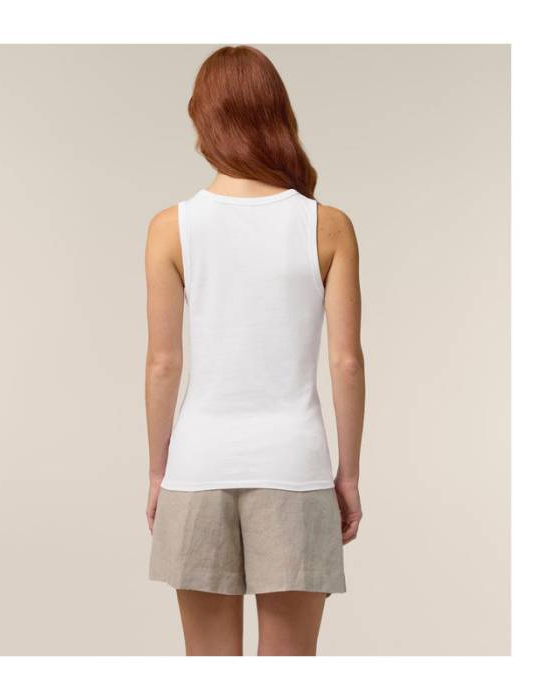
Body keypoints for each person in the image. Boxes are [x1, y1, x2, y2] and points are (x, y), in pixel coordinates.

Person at [145, 45, 365, 656]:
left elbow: (163, 363)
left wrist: (159, 472)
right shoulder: (327, 225)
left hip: (197, 466)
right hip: (294, 468)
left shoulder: (171, 227)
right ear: (278, 114)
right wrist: (348, 475)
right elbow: (346, 362)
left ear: (201, 117)